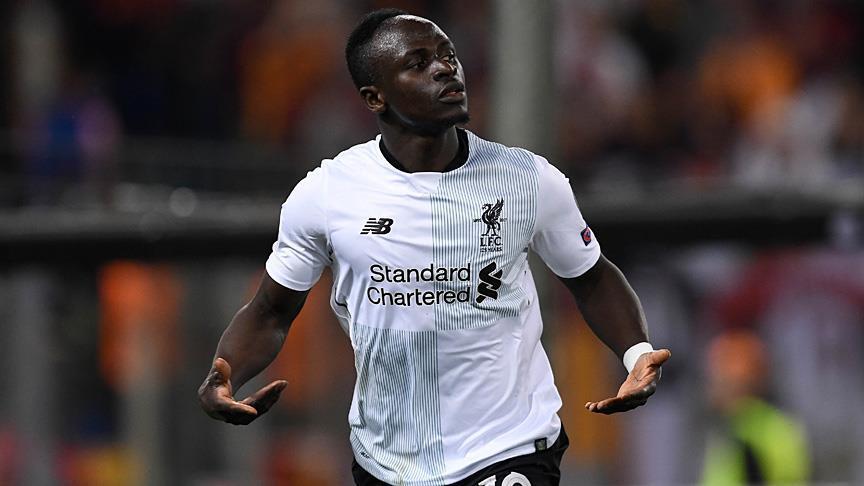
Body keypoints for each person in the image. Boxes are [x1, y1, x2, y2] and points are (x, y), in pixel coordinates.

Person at [198, 9, 670, 486]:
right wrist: (227, 373)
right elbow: (271, 311)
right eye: (418, 63)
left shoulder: (528, 179)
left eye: (448, 55)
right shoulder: (326, 194)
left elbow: (591, 277)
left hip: (508, 448)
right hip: (387, 462)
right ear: (374, 97)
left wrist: (636, 353)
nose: (445, 68)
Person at [701, 330, 809, 485]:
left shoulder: (748, 436)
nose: (711, 387)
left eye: (718, 378)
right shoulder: (742, 426)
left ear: (737, 383)